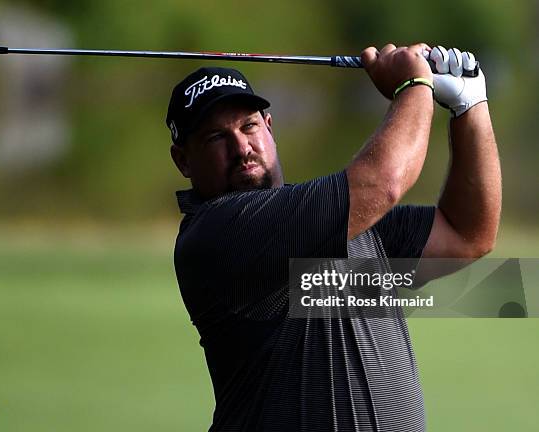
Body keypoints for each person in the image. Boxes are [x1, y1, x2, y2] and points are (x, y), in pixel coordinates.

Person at [167, 43, 501, 432]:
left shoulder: (347, 220)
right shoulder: (217, 234)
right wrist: (413, 84)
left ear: (269, 128)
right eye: (215, 139)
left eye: (249, 126)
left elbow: (468, 233)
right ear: (183, 161)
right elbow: (383, 183)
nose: (242, 148)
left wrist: (470, 105)